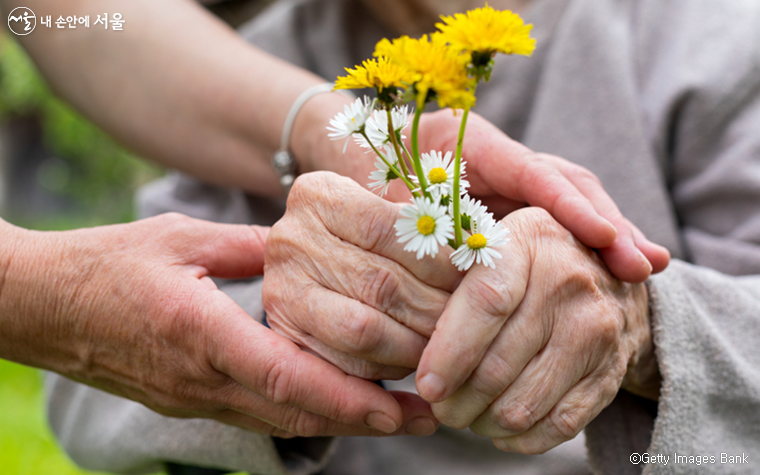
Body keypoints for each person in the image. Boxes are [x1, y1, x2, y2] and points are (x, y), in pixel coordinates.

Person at [42, 0, 760, 474]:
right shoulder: (243, 69)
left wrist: (645, 327)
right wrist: (292, 326)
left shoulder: (710, 45)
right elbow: (85, 386)